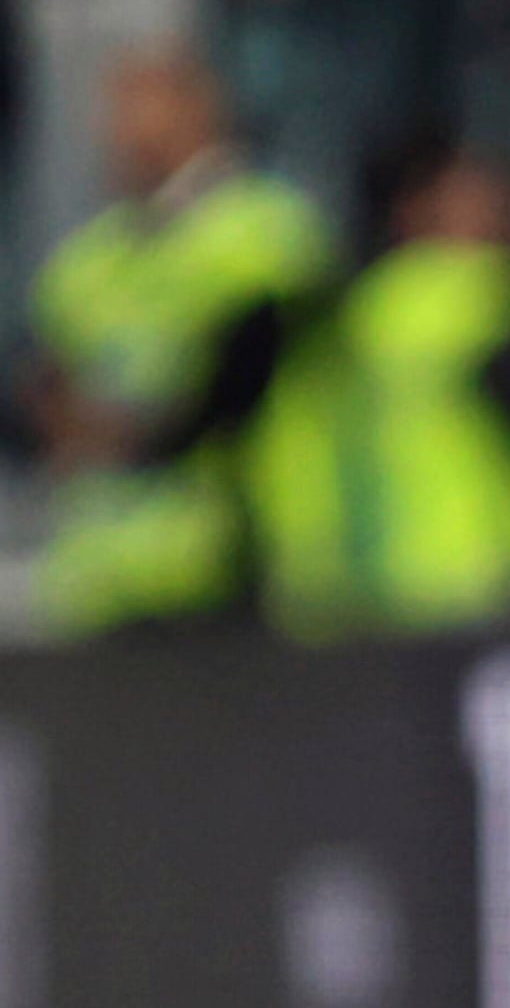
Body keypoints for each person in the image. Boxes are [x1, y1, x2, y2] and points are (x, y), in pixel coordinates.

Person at [248, 139, 510, 638]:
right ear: (416, 208)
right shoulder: (496, 301)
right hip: (483, 581)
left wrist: (307, 579)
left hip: (358, 593)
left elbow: (291, 450)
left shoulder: (340, 321)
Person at [23, 41, 331, 632]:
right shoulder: (91, 257)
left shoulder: (265, 230)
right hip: (106, 576)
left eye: (137, 104)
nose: (113, 129)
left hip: (236, 570)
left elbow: (246, 379)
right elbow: (38, 382)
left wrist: (132, 439)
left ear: (199, 108)